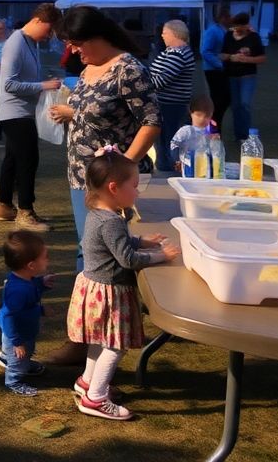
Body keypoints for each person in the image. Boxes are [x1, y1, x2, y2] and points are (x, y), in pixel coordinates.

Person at [45, 6, 160, 367]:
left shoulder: (129, 70)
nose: (74, 51)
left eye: (78, 43)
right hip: (82, 178)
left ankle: (95, 339)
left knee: (99, 257)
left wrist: (124, 165)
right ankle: (89, 335)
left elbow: (151, 122)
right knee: (90, 252)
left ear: (97, 37)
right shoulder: (89, 68)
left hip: (110, 184)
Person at [66, 150, 178, 420]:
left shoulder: (100, 214)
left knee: (99, 341)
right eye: (135, 186)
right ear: (114, 188)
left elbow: (117, 245)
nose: (137, 193)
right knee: (115, 346)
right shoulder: (112, 222)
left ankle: (87, 382)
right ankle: (95, 398)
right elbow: (127, 259)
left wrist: (143, 241)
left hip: (96, 288)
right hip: (110, 292)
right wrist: (159, 256)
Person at [0, 3, 62, 231]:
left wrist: (45, 82)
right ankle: (25, 211)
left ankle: (4, 206)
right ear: (38, 21)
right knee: (28, 159)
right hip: (14, 113)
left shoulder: (30, 43)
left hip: (23, 112)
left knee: (13, 159)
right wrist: (43, 85)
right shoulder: (15, 43)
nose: (49, 36)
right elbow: (8, 84)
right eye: (49, 29)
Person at [0, 230, 54, 397]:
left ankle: (23, 362)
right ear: (31, 265)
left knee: (26, 352)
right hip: (17, 334)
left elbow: (31, 290)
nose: (47, 259)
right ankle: (13, 381)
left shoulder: (24, 280)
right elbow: (9, 316)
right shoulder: (19, 290)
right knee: (19, 357)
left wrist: (41, 283)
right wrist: (16, 342)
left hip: (24, 330)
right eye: (45, 256)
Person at [149, 19, 196, 170]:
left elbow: (161, 80)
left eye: (165, 32)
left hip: (171, 104)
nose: (162, 35)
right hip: (166, 103)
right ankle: (165, 165)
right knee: (163, 139)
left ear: (175, 33)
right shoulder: (173, 52)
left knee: (168, 139)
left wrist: (142, 83)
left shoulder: (178, 54)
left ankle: (168, 169)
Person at [221, 12, 266, 143]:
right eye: (235, 27)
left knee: (244, 105)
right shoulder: (228, 36)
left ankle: (245, 135)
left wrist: (246, 60)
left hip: (248, 76)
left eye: (240, 27)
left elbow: (262, 58)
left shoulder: (254, 38)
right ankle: (238, 134)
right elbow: (221, 54)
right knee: (235, 106)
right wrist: (230, 57)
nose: (237, 30)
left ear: (246, 26)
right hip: (231, 76)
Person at [201, 5, 232, 131]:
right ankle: (211, 124)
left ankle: (214, 124)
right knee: (220, 99)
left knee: (224, 99)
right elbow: (205, 51)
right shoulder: (213, 31)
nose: (231, 19)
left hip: (220, 70)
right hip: (213, 70)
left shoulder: (224, 30)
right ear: (222, 18)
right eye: (229, 16)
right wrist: (219, 64)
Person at [169, 95, 217, 170]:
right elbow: (174, 145)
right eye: (198, 115)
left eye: (207, 116)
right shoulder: (186, 130)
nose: (202, 119)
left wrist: (215, 142)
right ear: (191, 113)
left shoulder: (209, 132)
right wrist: (177, 161)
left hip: (204, 167)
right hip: (187, 166)